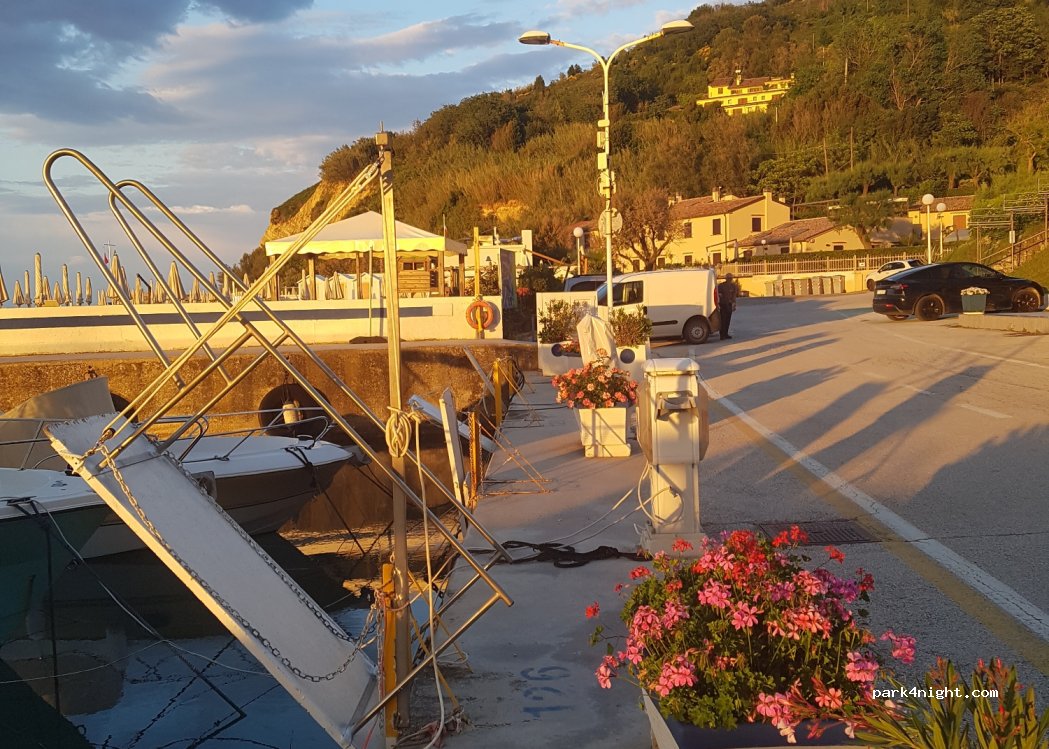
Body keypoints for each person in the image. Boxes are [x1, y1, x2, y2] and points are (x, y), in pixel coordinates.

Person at [716, 272, 739, 340]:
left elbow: (734, 296)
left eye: (730, 278)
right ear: (726, 278)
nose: (729, 279)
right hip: (723, 304)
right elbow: (718, 294)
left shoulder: (733, 286)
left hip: (729, 304)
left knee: (728, 320)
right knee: (723, 320)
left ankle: (726, 334)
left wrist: (734, 304)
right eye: (728, 278)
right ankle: (722, 335)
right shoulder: (721, 285)